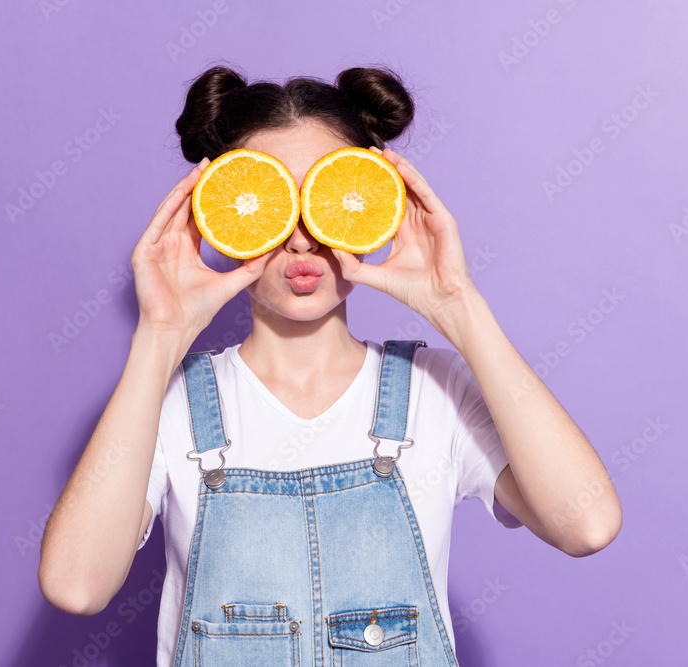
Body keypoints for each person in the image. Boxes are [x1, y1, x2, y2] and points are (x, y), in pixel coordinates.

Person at [38, 63, 622, 666]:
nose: (300, 240)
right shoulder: (171, 403)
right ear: (219, 214)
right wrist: (159, 336)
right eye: (268, 204)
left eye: (324, 199)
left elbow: (587, 525)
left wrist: (459, 307)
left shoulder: (438, 390)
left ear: (369, 204)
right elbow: (75, 587)